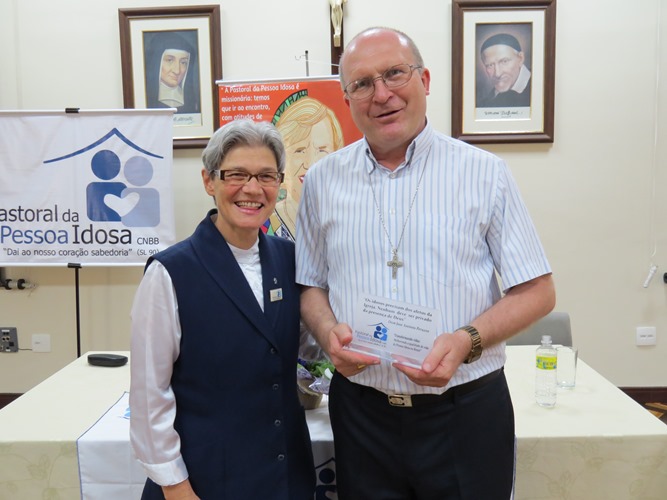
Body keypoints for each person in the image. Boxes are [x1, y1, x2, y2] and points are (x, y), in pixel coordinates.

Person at [296, 27, 555, 499]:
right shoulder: (321, 181)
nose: (382, 94)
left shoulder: (484, 173)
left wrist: (466, 341)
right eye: (362, 83)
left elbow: (537, 291)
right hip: (361, 415)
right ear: (347, 99)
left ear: (425, 80)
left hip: (465, 413)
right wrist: (327, 332)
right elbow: (310, 285)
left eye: (395, 73)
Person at [130, 119, 315, 499]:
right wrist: (175, 485)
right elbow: (150, 395)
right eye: (237, 174)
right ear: (209, 181)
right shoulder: (171, 272)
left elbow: (306, 346)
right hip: (205, 478)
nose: (252, 189)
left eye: (266, 176)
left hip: (285, 471)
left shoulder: (291, 259)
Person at [270, 96, 344, 241]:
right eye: (300, 150)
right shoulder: (262, 222)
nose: (310, 163)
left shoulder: (349, 218)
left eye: (322, 150)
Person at [144, 30, 201, 114]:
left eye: (183, 62)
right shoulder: (146, 99)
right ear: (157, 62)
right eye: (170, 60)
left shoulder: (192, 104)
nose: (177, 71)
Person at [478, 33, 532, 108]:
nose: (497, 74)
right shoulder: (484, 103)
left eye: (504, 61)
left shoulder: (539, 89)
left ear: (520, 59)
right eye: (490, 65)